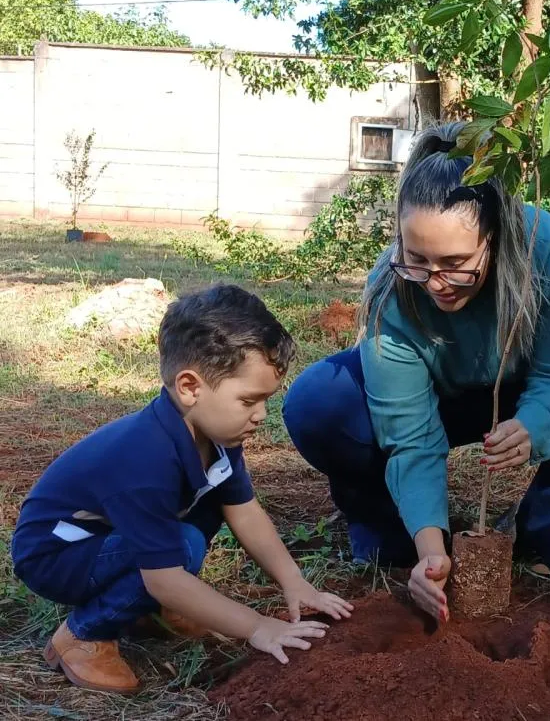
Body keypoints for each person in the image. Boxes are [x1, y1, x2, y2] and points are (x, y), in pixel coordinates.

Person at [283, 121, 550, 622]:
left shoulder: (548, 251)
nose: (436, 284)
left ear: (496, 239)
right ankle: (393, 528)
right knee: (318, 402)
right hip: (435, 394)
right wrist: (431, 551)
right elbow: (408, 437)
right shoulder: (393, 288)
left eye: (456, 263)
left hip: (518, 383)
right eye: (418, 261)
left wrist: (535, 423)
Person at [11, 284, 354, 694]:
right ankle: (82, 634)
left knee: (206, 513)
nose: (262, 415)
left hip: (107, 539)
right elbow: (164, 577)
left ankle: (142, 611)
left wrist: (293, 581)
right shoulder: (144, 458)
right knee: (180, 550)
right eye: (249, 400)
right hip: (56, 554)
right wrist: (257, 626)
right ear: (190, 387)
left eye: (267, 400)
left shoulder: (217, 438)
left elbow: (244, 510)